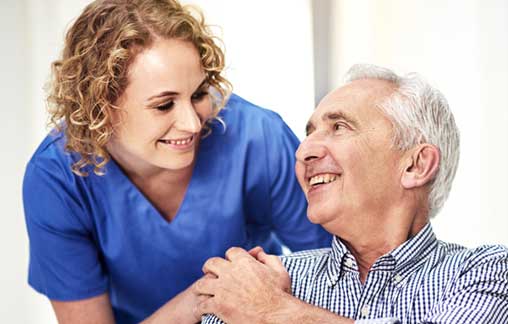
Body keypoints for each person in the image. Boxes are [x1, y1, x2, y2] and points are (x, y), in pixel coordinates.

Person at [22, 0, 331, 323]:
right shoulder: (57, 178)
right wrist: (201, 299)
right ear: (100, 107)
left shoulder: (258, 139)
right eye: (164, 105)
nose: (193, 124)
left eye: (199, 94)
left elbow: (335, 277)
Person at [197, 64, 508, 324]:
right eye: (309, 133)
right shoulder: (261, 276)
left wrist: (273, 311)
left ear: (416, 165)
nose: (303, 152)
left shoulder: (486, 272)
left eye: (339, 127)